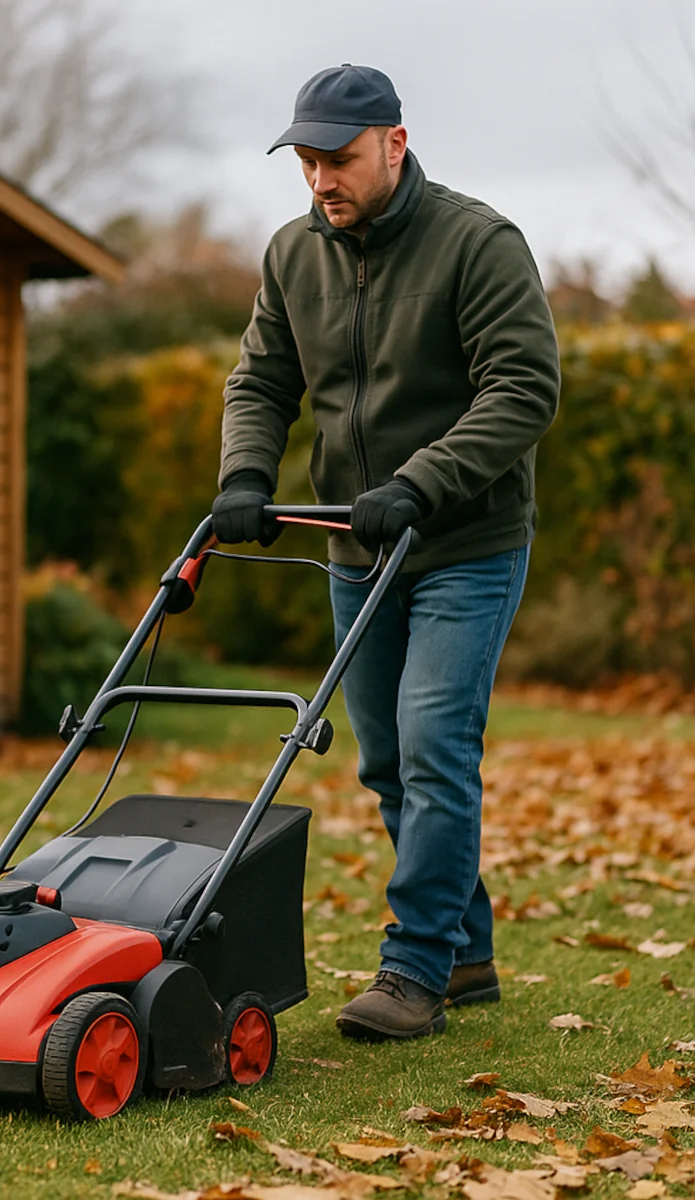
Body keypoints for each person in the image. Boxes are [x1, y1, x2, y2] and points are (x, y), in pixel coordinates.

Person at [211, 64, 560, 1042]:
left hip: (463, 539)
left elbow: (523, 390)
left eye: (341, 158)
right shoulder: (293, 256)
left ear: (394, 145)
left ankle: (414, 970)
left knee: (437, 746)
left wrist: (422, 480)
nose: (322, 178)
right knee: (389, 765)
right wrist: (246, 477)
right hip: (354, 546)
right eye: (309, 161)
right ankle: (469, 953)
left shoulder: (475, 243)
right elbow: (260, 384)